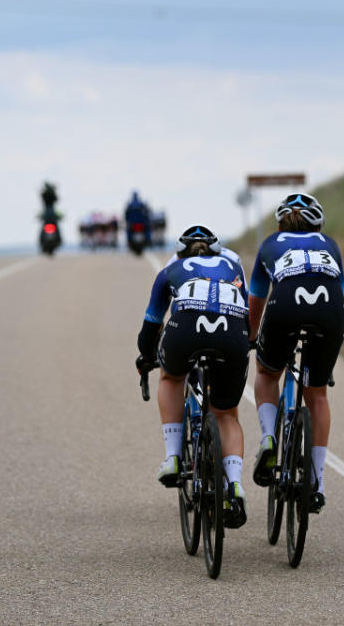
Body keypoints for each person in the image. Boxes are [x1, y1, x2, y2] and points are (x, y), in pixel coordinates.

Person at [136, 224, 251, 528]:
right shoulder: (232, 265)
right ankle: (235, 486)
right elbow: (248, 316)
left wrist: (148, 357)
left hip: (184, 332)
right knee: (227, 415)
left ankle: (173, 457)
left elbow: (150, 326)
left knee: (171, 377)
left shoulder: (171, 268)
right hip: (232, 336)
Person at [247, 193, 344, 514]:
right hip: (330, 312)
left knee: (265, 373)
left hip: (285, 304)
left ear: (280, 223)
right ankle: (318, 482)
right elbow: (339, 294)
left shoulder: (270, 243)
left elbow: (256, 299)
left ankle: (268, 440)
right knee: (317, 393)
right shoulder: (329, 244)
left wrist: (251, 335)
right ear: (318, 223)